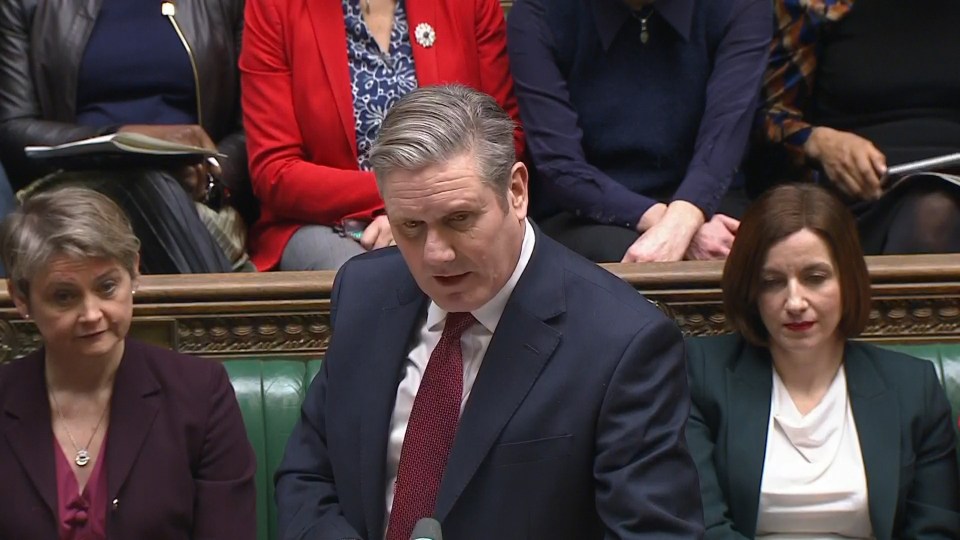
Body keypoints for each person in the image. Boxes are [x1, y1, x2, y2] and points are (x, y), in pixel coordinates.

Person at [274, 85, 703, 539]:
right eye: (411, 227)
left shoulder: (623, 342)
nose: (436, 254)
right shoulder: (363, 293)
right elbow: (307, 478)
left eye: (459, 219)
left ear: (515, 191)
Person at [686, 183, 960, 538]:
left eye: (815, 278)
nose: (795, 301)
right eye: (772, 282)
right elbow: (702, 526)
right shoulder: (702, 373)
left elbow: (934, 530)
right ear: (751, 291)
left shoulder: (913, 386)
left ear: (847, 279)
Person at [0, 187, 257, 539]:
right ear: (21, 298)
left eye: (107, 287)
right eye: (64, 296)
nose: (91, 314)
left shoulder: (200, 394)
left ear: (134, 271)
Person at [239, 0, 524, 271]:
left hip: (457, 207)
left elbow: (503, 137)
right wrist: (407, 207)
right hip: (324, 223)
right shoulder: (275, 6)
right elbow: (274, 172)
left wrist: (419, 212)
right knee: (369, 281)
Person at [506, 0, 770, 263]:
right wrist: (674, 228)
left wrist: (683, 221)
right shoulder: (539, 12)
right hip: (583, 209)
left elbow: (725, 137)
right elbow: (559, 165)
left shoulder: (740, 6)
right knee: (622, 261)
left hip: (710, 198)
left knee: (754, 252)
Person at [0, 0, 250, 273]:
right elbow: (15, 129)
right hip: (71, 184)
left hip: (193, 190)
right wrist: (119, 138)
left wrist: (211, 177)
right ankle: (222, 311)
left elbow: (250, 128)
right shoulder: (27, 4)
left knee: (160, 188)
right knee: (147, 180)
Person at [755, 0, 960, 254]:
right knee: (934, 213)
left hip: (954, 174)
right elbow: (769, 117)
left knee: (938, 210)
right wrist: (818, 142)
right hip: (862, 192)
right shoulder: (818, 6)